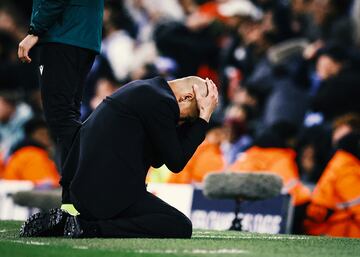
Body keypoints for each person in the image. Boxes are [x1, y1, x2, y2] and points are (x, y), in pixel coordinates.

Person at [20, 76, 218, 238]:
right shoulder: (161, 103)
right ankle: (86, 228)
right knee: (180, 226)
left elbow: (160, 159)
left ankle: (70, 223)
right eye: (187, 117)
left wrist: (193, 119)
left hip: (88, 189)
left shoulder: (147, 91)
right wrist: (203, 119)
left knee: (164, 217)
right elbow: (176, 162)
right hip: (106, 194)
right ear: (186, 97)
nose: (182, 123)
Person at [17, 0, 104, 190]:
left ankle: (108, 168)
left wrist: (34, 31)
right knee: (67, 117)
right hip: (82, 35)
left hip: (64, 35)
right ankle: (72, 197)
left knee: (60, 117)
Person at [3, 118, 60, 187]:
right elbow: (43, 186)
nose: (46, 138)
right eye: (41, 134)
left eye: (48, 134)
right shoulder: (31, 155)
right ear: (31, 136)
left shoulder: (27, 152)